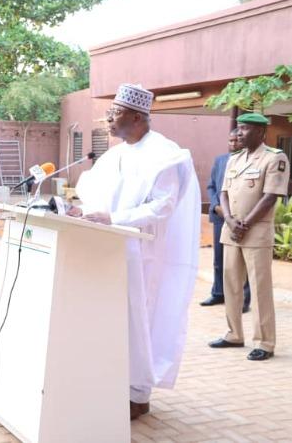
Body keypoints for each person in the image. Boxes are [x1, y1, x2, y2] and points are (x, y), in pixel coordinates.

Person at [67, 84, 201, 420]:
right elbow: (94, 194)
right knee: (111, 320)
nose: (109, 118)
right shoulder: (115, 155)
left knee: (140, 321)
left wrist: (114, 218)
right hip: (108, 250)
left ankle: (138, 395)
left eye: (116, 112)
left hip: (143, 254)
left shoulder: (166, 154)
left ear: (138, 117)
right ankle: (114, 386)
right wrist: (84, 211)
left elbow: (162, 206)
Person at [208, 113, 290, 361]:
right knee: (231, 285)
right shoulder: (234, 158)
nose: (239, 133)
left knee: (259, 288)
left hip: (255, 233)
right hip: (231, 231)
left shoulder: (274, 158)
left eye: (245, 128)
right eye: (239, 128)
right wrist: (230, 220)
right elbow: (223, 192)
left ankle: (265, 342)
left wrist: (246, 224)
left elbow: (270, 196)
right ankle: (234, 334)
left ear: (260, 132)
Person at [201, 129, 251, 312]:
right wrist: (216, 207)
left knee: (242, 259)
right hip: (220, 217)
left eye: (236, 140)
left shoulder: (251, 161)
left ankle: (244, 299)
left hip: (241, 218)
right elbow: (212, 186)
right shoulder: (220, 160)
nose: (233, 144)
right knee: (219, 258)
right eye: (230, 141)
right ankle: (218, 293)